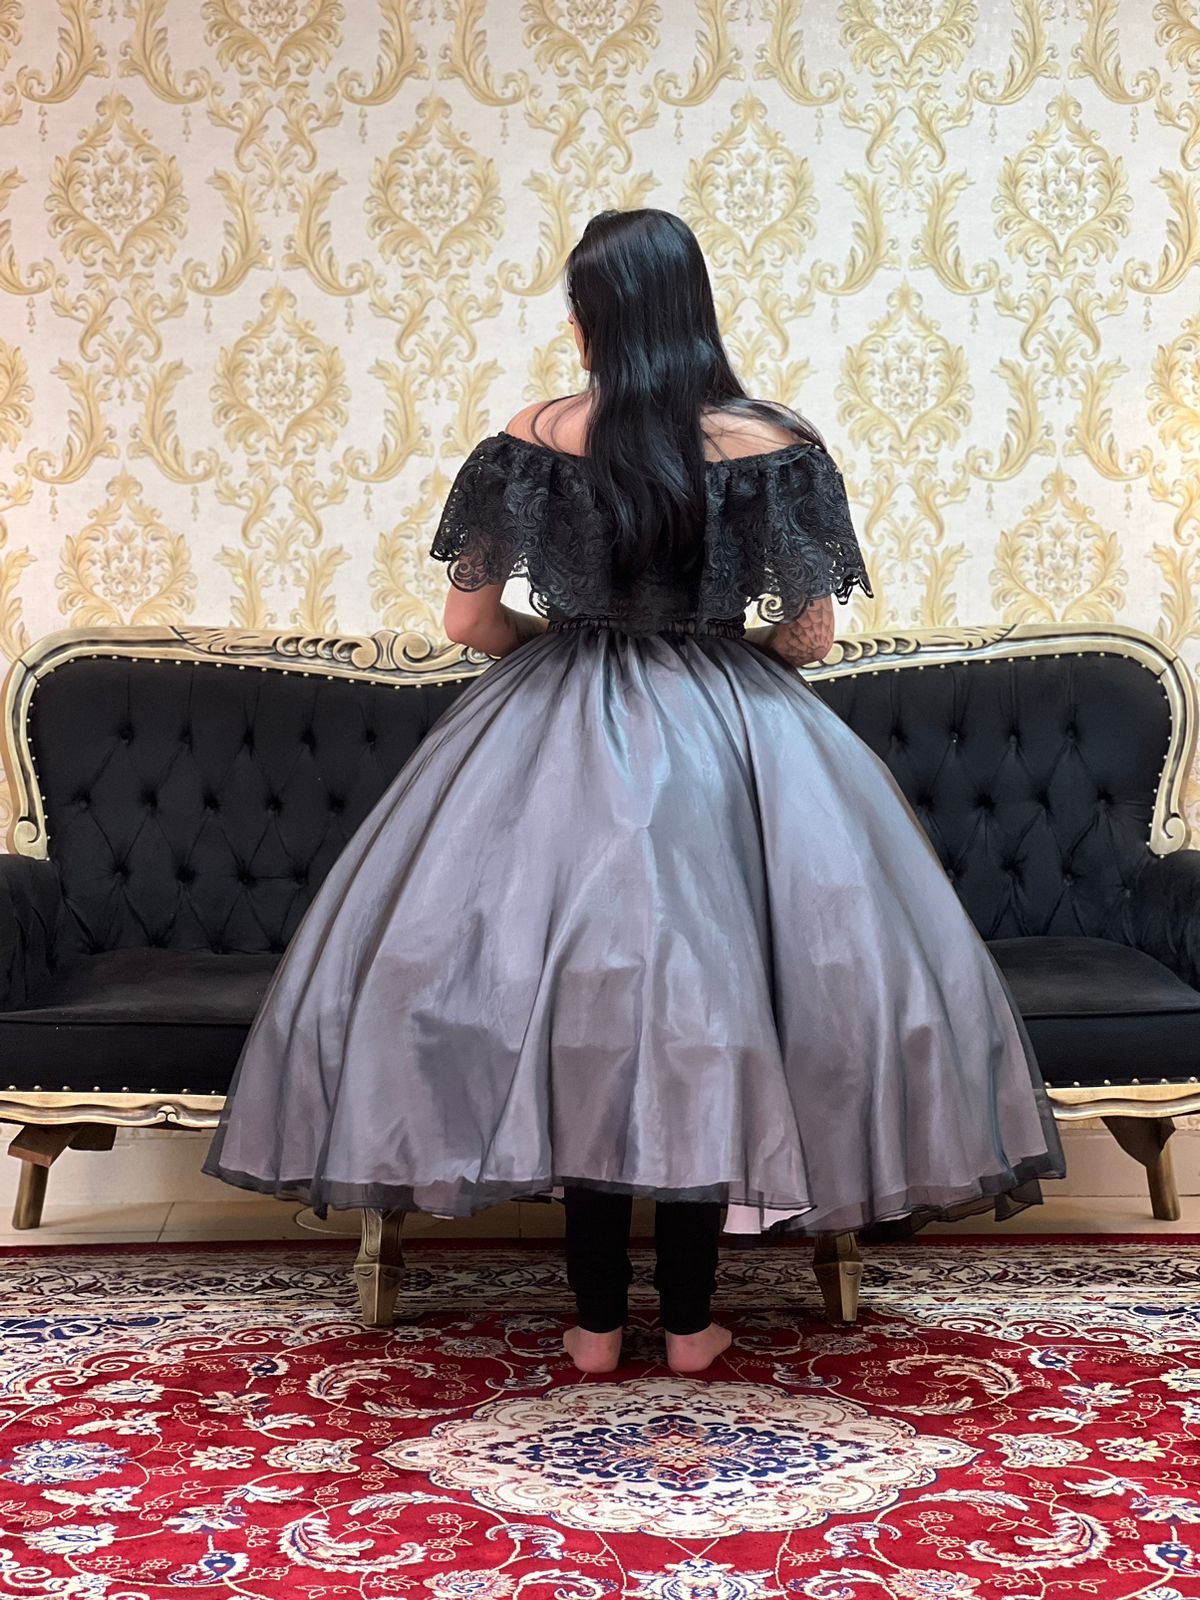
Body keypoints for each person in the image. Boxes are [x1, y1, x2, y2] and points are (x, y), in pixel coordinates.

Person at [205, 208, 1064, 1376]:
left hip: (555, 730)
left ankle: (598, 1322)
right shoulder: (776, 446)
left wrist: (558, 657)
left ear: (587, 322)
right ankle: (695, 1321)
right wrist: (722, 665)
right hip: (731, 733)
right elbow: (808, 635)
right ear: (694, 310)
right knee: (716, 1016)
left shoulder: (528, 440)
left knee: (583, 1021)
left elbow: (467, 620)